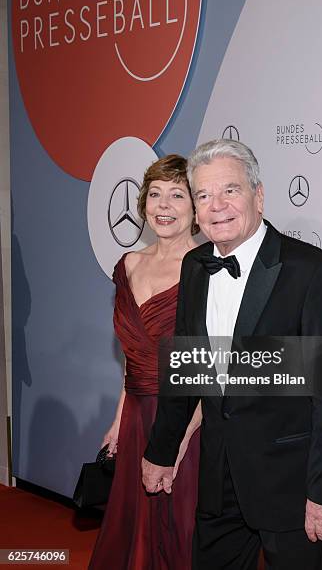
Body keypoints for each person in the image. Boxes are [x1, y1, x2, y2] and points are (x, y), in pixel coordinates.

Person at [142, 139, 322, 570]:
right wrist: (163, 449)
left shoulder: (314, 271)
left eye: (230, 190)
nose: (216, 206)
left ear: (258, 196)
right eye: (203, 195)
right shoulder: (196, 265)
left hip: (294, 489)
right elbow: (188, 368)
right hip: (218, 484)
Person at [89, 155, 201, 570]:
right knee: (133, 526)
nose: (164, 205)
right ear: (143, 205)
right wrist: (119, 419)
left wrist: (182, 437)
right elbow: (130, 358)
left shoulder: (208, 268)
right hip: (137, 416)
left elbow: (215, 369)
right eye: (155, 194)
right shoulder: (129, 265)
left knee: (180, 527)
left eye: (177, 194)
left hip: (189, 418)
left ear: (194, 207)